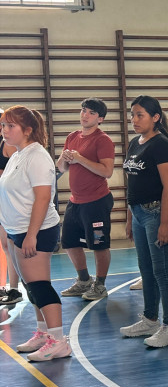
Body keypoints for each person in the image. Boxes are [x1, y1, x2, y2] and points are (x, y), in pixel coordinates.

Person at [0, 106, 67, 361]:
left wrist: (31, 235)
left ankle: (59, 341)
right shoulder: (18, 154)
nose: (4, 130)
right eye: (3, 125)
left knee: (39, 286)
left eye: (10, 126)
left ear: (27, 130)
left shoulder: (37, 156)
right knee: (31, 287)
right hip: (17, 230)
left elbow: (42, 198)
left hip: (37, 231)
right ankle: (43, 333)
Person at [119, 95, 168, 348]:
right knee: (146, 270)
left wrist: (165, 223)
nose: (134, 120)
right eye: (132, 115)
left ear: (155, 117)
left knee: (164, 272)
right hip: (138, 213)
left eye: (140, 115)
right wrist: (130, 217)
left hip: (157, 213)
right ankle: (150, 319)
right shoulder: (136, 142)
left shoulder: (161, 145)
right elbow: (132, 183)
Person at [56, 97, 115, 302]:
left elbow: (107, 171)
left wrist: (80, 158)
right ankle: (83, 280)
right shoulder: (72, 136)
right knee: (69, 242)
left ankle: (100, 285)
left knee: (99, 243)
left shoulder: (103, 140)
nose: (85, 115)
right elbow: (61, 168)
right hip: (76, 202)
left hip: (97, 202)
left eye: (91, 112)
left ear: (100, 119)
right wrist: (64, 158)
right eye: (83, 110)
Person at [0, 132, 24, 307]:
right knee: (5, 245)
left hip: (9, 201)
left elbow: (16, 174)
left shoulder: (7, 145)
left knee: (10, 246)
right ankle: (9, 287)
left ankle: (15, 288)